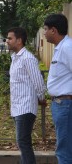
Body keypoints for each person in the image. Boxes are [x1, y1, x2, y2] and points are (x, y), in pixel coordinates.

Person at [6, 27, 46, 164]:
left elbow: (38, 81)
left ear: (19, 40)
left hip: (26, 107)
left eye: (10, 38)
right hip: (18, 106)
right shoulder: (15, 58)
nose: (7, 41)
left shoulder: (27, 58)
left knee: (23, 142)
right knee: (22, 143)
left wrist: (41, 98)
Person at [43, 13, 72, 163]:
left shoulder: (67, 48)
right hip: (61, 104)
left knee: (64, 150)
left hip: (65, 105)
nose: (44, 33)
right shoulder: (61, 47)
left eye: (45, 29)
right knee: (65, 147)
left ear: (53, 30)